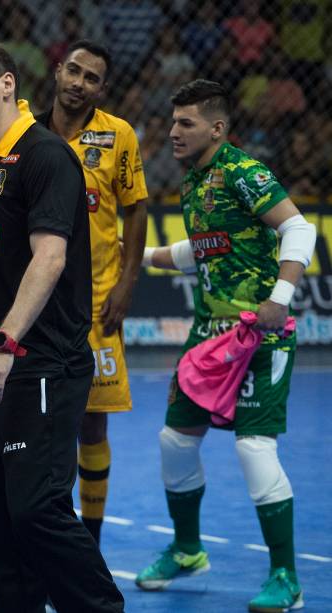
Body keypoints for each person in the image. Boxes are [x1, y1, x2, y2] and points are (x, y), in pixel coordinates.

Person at [0, 38, 124, 613]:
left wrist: (3, 342)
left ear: (6, 84)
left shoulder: (45, 155)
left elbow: (50, 259)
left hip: (39, 363)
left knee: (37, 510)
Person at [136, 79, 315, 613]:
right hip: (208, 337)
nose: (172, 132)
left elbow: (298, 230)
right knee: (175, 441)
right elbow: (205, 249)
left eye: (185, 123)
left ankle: (286, 577)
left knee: (254, 449)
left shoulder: (242, 171)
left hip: (260, 335)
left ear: (216, 128)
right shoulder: (196, 181)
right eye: (172, 122)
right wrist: (138, 256)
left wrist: (280, 297)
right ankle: (189, 550)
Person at [34, 39, 148, 545]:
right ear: (58, 71)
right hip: (35, 299)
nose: (79, 83)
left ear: (102, 88)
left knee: (93, 425)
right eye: (74, 71)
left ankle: (91, 541)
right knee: (34, 425)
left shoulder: (117, 135)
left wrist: (126, 283)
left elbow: (137, 209)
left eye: (91, 78)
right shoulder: (23, 132)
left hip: (97, 299)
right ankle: (32, 531)